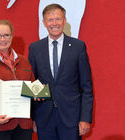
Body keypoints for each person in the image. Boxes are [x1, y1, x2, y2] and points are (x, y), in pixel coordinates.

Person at [28, 4, 93, 140]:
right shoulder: (35, 48)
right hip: (44, 118)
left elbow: (86, 87)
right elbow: (32, 82)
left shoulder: (78, 47)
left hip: (72, 118)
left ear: (64, 20)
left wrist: (85, 118)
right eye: (50, 20)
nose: (54, 23)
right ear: (44, 23)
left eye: (58, 19)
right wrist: (32, 118)